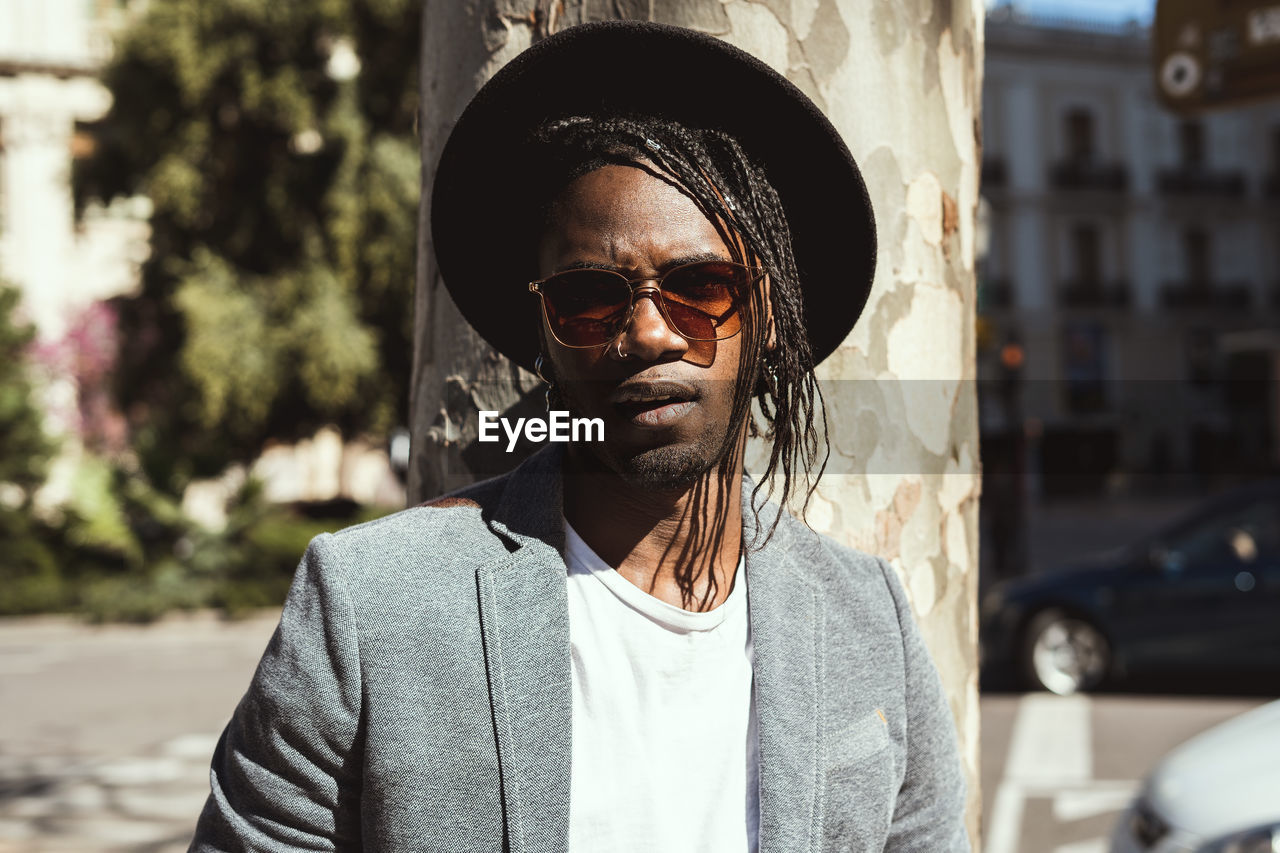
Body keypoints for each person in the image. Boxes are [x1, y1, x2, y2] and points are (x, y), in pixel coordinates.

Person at [189, 20, 969, 853]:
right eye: (589, 296)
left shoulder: (866, 618)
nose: (646, 334)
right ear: (544, 331)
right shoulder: (369, 605)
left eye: (702, 287)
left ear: (767, 316)